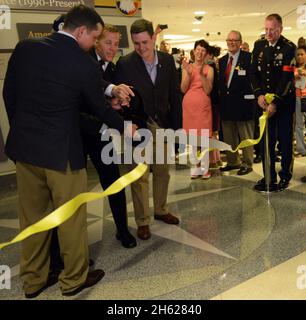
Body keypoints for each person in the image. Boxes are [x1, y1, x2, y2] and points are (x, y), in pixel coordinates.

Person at [3, 5, 134, 298]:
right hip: (62, 155)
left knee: (33, 219)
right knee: (70, 218)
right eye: (95, 37)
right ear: (80, 32)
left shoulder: (25, 47)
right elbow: (99, 109)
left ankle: (34, 280)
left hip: (25, 152)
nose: (95, 44)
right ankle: (73, 279)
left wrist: (23, 132)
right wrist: (127, 128)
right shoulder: (81, 61)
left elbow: (9, 94)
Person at [114, 19, 182, 240]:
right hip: (138, 128)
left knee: (162, 171)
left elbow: (174, 96)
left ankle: (161, 209)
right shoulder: (125, 63)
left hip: (162, 124)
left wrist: (177, 129)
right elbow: (121, 100)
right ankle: (142, 220)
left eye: (145, 42)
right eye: (136, 43)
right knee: (139, 175)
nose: (141, 48)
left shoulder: (167, 61)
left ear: (154, 38)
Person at [81, 24, 137, 248]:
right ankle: (72, 244)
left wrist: (120, 104)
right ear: (96, 41)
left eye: (116, 44)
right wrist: (109, 97)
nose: (113, 48)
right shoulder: (82, 61)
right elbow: (87, 91)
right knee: (73, 190)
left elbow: (117, 103)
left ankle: (122, 230)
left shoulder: (114, 70)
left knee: (113, 181)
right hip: (77, 133)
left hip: (101, 135)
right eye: (108, 43)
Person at [251, 13, 296, 192]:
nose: (268, 33)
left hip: (283, 104)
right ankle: (268, 175)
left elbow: (286, 78)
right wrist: (259, 95)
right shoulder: (259, 45)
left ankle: (285, 175)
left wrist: (275, 102)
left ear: (280, 29)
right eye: (266, 29)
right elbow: (253, 73)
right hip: (263, 104)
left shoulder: (288, 48)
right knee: (265, 143)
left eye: (273, 30)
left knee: (285, 142)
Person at [219, 31, 256, 176]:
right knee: (229, 136)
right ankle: (233, 161)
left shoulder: (248, 58)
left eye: (235, 40)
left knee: (245, 136)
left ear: (240, 42)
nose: (231, 42)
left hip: (244, 104)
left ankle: (247, 163)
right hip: (227, 105)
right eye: (229, 40)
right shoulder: (222, 61)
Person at [181, 39, 214, 179]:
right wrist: (188, 73)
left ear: (206, 54)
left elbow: (208, 90)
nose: (200, 52)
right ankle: (196, 166)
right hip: (189, 105)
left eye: (203, 50)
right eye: (198, 49)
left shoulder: (209, 69)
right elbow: (183, 88)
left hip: (203, 105)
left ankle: (205, 168)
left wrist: (201, 74)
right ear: (194, 51)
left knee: (204, 136)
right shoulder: (186, 67)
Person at [294, 45, 306, 157]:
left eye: (302, 54)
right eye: (298, 54)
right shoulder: (293, 68)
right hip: (297, 98)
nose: (299, 57)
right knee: (298, 125)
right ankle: (301, 149)